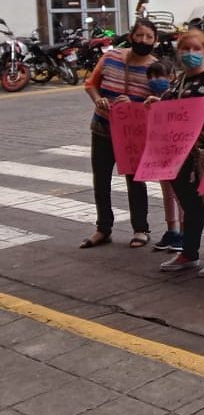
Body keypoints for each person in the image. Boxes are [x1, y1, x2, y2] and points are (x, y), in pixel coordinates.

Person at [152, 30, 204, 278]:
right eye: (185, 49)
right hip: (179, 154)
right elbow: (170, 105)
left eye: (196, 49)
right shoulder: (180, 80)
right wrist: (155, 105)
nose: (190, 54)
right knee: (190, 205)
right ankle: (189, 252)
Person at [81, 18, 158, 249]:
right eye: (139, 35)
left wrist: (137, 103)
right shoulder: (110, 57)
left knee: (135, 181)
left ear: (156, 41)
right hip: (103, 128)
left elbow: (160, 104)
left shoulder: (156, 68)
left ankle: (141, 229)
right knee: (101, 180)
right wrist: (98, 100)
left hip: (133, 134)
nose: (143, 40)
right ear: (131, 36)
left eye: (149, 37)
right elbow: (91, 84)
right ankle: (103, 228)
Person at [145, 60, 184, 252]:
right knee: (167, 193)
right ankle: (172, 230)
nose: (154, 80)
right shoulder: (150, 97)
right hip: (161, 150)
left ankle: (185, 233)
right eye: (150, 77)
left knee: (180, 194)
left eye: (158, 76)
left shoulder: (177, 94)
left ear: (171, 76)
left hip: (178, 152)